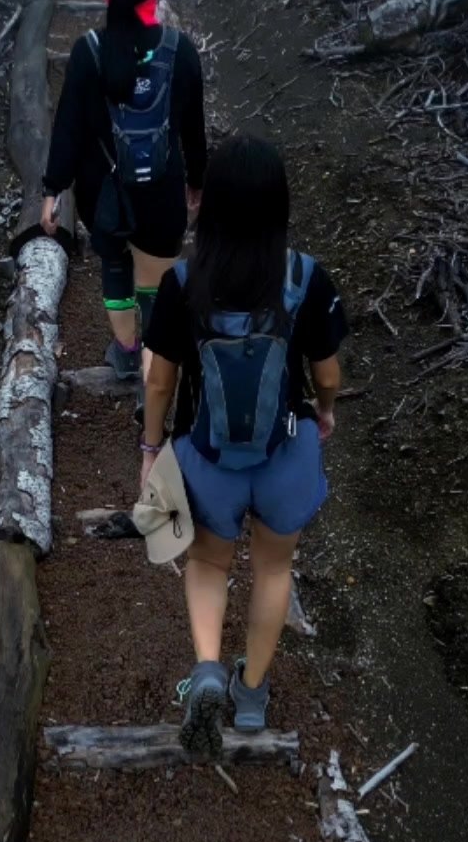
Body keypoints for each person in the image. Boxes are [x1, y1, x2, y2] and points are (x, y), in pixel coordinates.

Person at [140, 135, 346, 757]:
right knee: (274, 568)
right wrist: (326, 411)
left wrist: (151, 450)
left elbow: (159, 382)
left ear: (211, 205)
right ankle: (251, 694)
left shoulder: (184, 281)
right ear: (279, 206)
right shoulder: (304, 278)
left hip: (210, 460)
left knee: (208, 563)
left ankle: (207, 669)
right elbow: (329, 373)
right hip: (282, 455)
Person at [40, 0, 206, 384]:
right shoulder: (179, 51)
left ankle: (127, 351)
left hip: (103, 193)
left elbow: (68, 128)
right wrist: (197, 182)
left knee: (114, 267)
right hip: (162, 189)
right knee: (155, 279)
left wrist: (53, 189)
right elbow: (193, 129)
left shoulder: (88, 54)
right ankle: (156, 353)